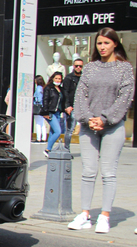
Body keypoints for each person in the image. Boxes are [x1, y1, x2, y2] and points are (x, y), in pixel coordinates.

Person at [68, 27, 134, 234]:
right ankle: (85, 214)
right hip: (89, 127)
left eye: (106, 42)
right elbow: (80, 96)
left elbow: (125, 98)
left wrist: (104, 119)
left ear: (115, 43)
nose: (102, 47)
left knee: (108, 173)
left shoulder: (125, 68)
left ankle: (105, 216)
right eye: (99, 43)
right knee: (88, 172)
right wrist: (89, 118)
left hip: (113, 127)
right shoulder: (89, 68)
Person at [62, 57, 83, 151]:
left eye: (80, 66)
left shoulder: (84, 78)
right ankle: (67, 149)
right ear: (73, 66)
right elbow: (65, 92)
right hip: (72, 106)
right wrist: (67, 106)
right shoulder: (69, 78)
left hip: (83, 106)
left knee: (86, 130)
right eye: (76, 66)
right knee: (70, 130)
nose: (78, 67)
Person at [42, 71, 64, 158]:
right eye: (56, 78)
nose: (58, 80)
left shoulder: (60, 89)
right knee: (58, 131)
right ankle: (47, 149)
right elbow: (45, 100)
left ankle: (49, 149)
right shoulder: (49, 88)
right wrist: (46, 112)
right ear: (52, 79)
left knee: (52, 131)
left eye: (59, 78)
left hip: (58, 112)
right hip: (50, 112)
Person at [33, 75, 47, 143]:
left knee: (38, 123)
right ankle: (44, 137)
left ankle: (38, 138)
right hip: (43, 107)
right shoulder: (43, 88)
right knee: (42, 123)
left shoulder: (38, 88)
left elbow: (38, 99)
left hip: (38, 107)